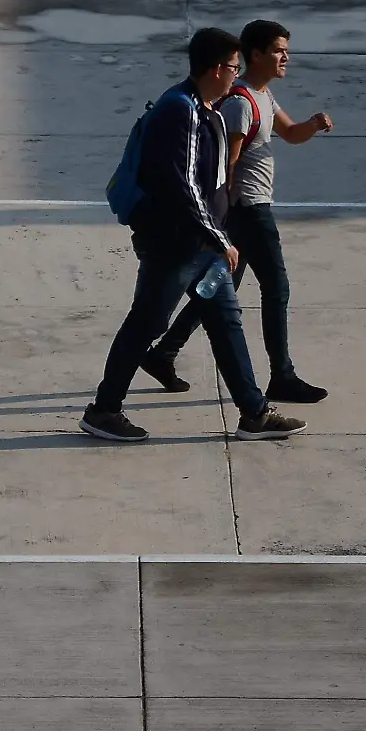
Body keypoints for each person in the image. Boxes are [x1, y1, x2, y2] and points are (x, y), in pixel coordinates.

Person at [83, 28, 309, 444]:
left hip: (201, 246)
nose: (236, 75)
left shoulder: (205, 108)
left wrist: (218, 234)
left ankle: (254, 413)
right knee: (147, 322)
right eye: (232, 67)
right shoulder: (180, 109)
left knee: (226, 321)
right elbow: (183, 186)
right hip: (175, 246)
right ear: (213, 68)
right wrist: (220, 236)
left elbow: (212, 182)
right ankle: (104, 410)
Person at [140, 20, 334, 405]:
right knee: (276, 288)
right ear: (255, 54)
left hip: (246, 209)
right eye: (278, 50)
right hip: (248, 209)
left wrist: (312, 125)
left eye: (286, 50)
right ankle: (282, 376)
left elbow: (291, 133)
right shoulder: (242, 102)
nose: (286, 58)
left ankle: (163, 353)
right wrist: (225, 215)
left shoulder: (264, 98)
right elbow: (224, 163)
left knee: (214, 289)